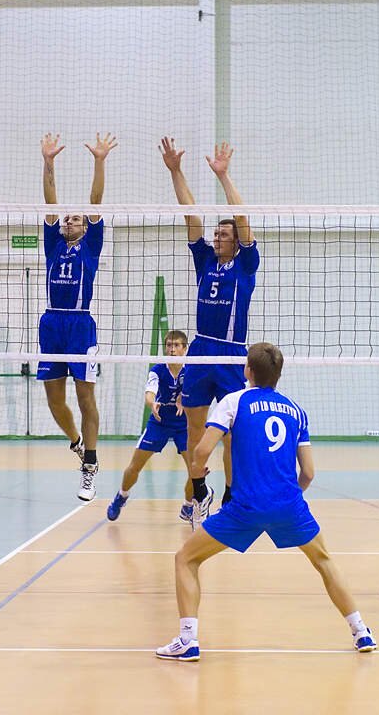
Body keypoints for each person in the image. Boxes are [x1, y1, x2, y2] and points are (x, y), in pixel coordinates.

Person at [156, 343, 377, 661]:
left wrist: (197, 473)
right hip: (289, 505)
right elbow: (309, 473)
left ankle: (188, 639)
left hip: (245, 508)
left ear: (247, 370)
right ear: (278, 374)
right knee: (324, 561)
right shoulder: (296, 410)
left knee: (185, 559)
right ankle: (361, 631)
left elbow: (202, 451)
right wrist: (288, 500)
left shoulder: (234, 401)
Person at [159, 137, 257, 514]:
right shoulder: (205, 260)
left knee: (232, 434)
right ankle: (200, 490)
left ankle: (231, 495)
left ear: (237, 242)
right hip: (201, 350)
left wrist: (223, 176)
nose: (217, 237)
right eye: (216, 233)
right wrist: (175, 171)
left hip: (231, 355)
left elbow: (243, 219)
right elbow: (191, 216)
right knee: (194, 428)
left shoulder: (245, 265)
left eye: (224, 234)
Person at [39, 132, 116, 502]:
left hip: (80, 325)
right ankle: (76, 442)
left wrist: (99, 161)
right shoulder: (53, 245)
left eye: (76, 218)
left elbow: (95, 201)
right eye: (67, 219)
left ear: (86, 227)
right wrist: (48, 162)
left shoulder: (91, 246)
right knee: (54, 399)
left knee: (86, 397)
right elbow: (50, 202)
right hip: (51, 323)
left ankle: (90, 465)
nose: (69, 220)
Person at [106, 330, 195, 522]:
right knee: (135, 465)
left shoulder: (192, 369)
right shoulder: (157, 369)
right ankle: (121, 496)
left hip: (184, 423)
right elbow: (150, 391)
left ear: (185, 348)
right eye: (169, 345)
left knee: (195, 470)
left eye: (176, 345)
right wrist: (151, 403)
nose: (172, 350)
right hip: (159, 421)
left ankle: (188, 506)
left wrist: (184, 399)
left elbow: (195, 392)